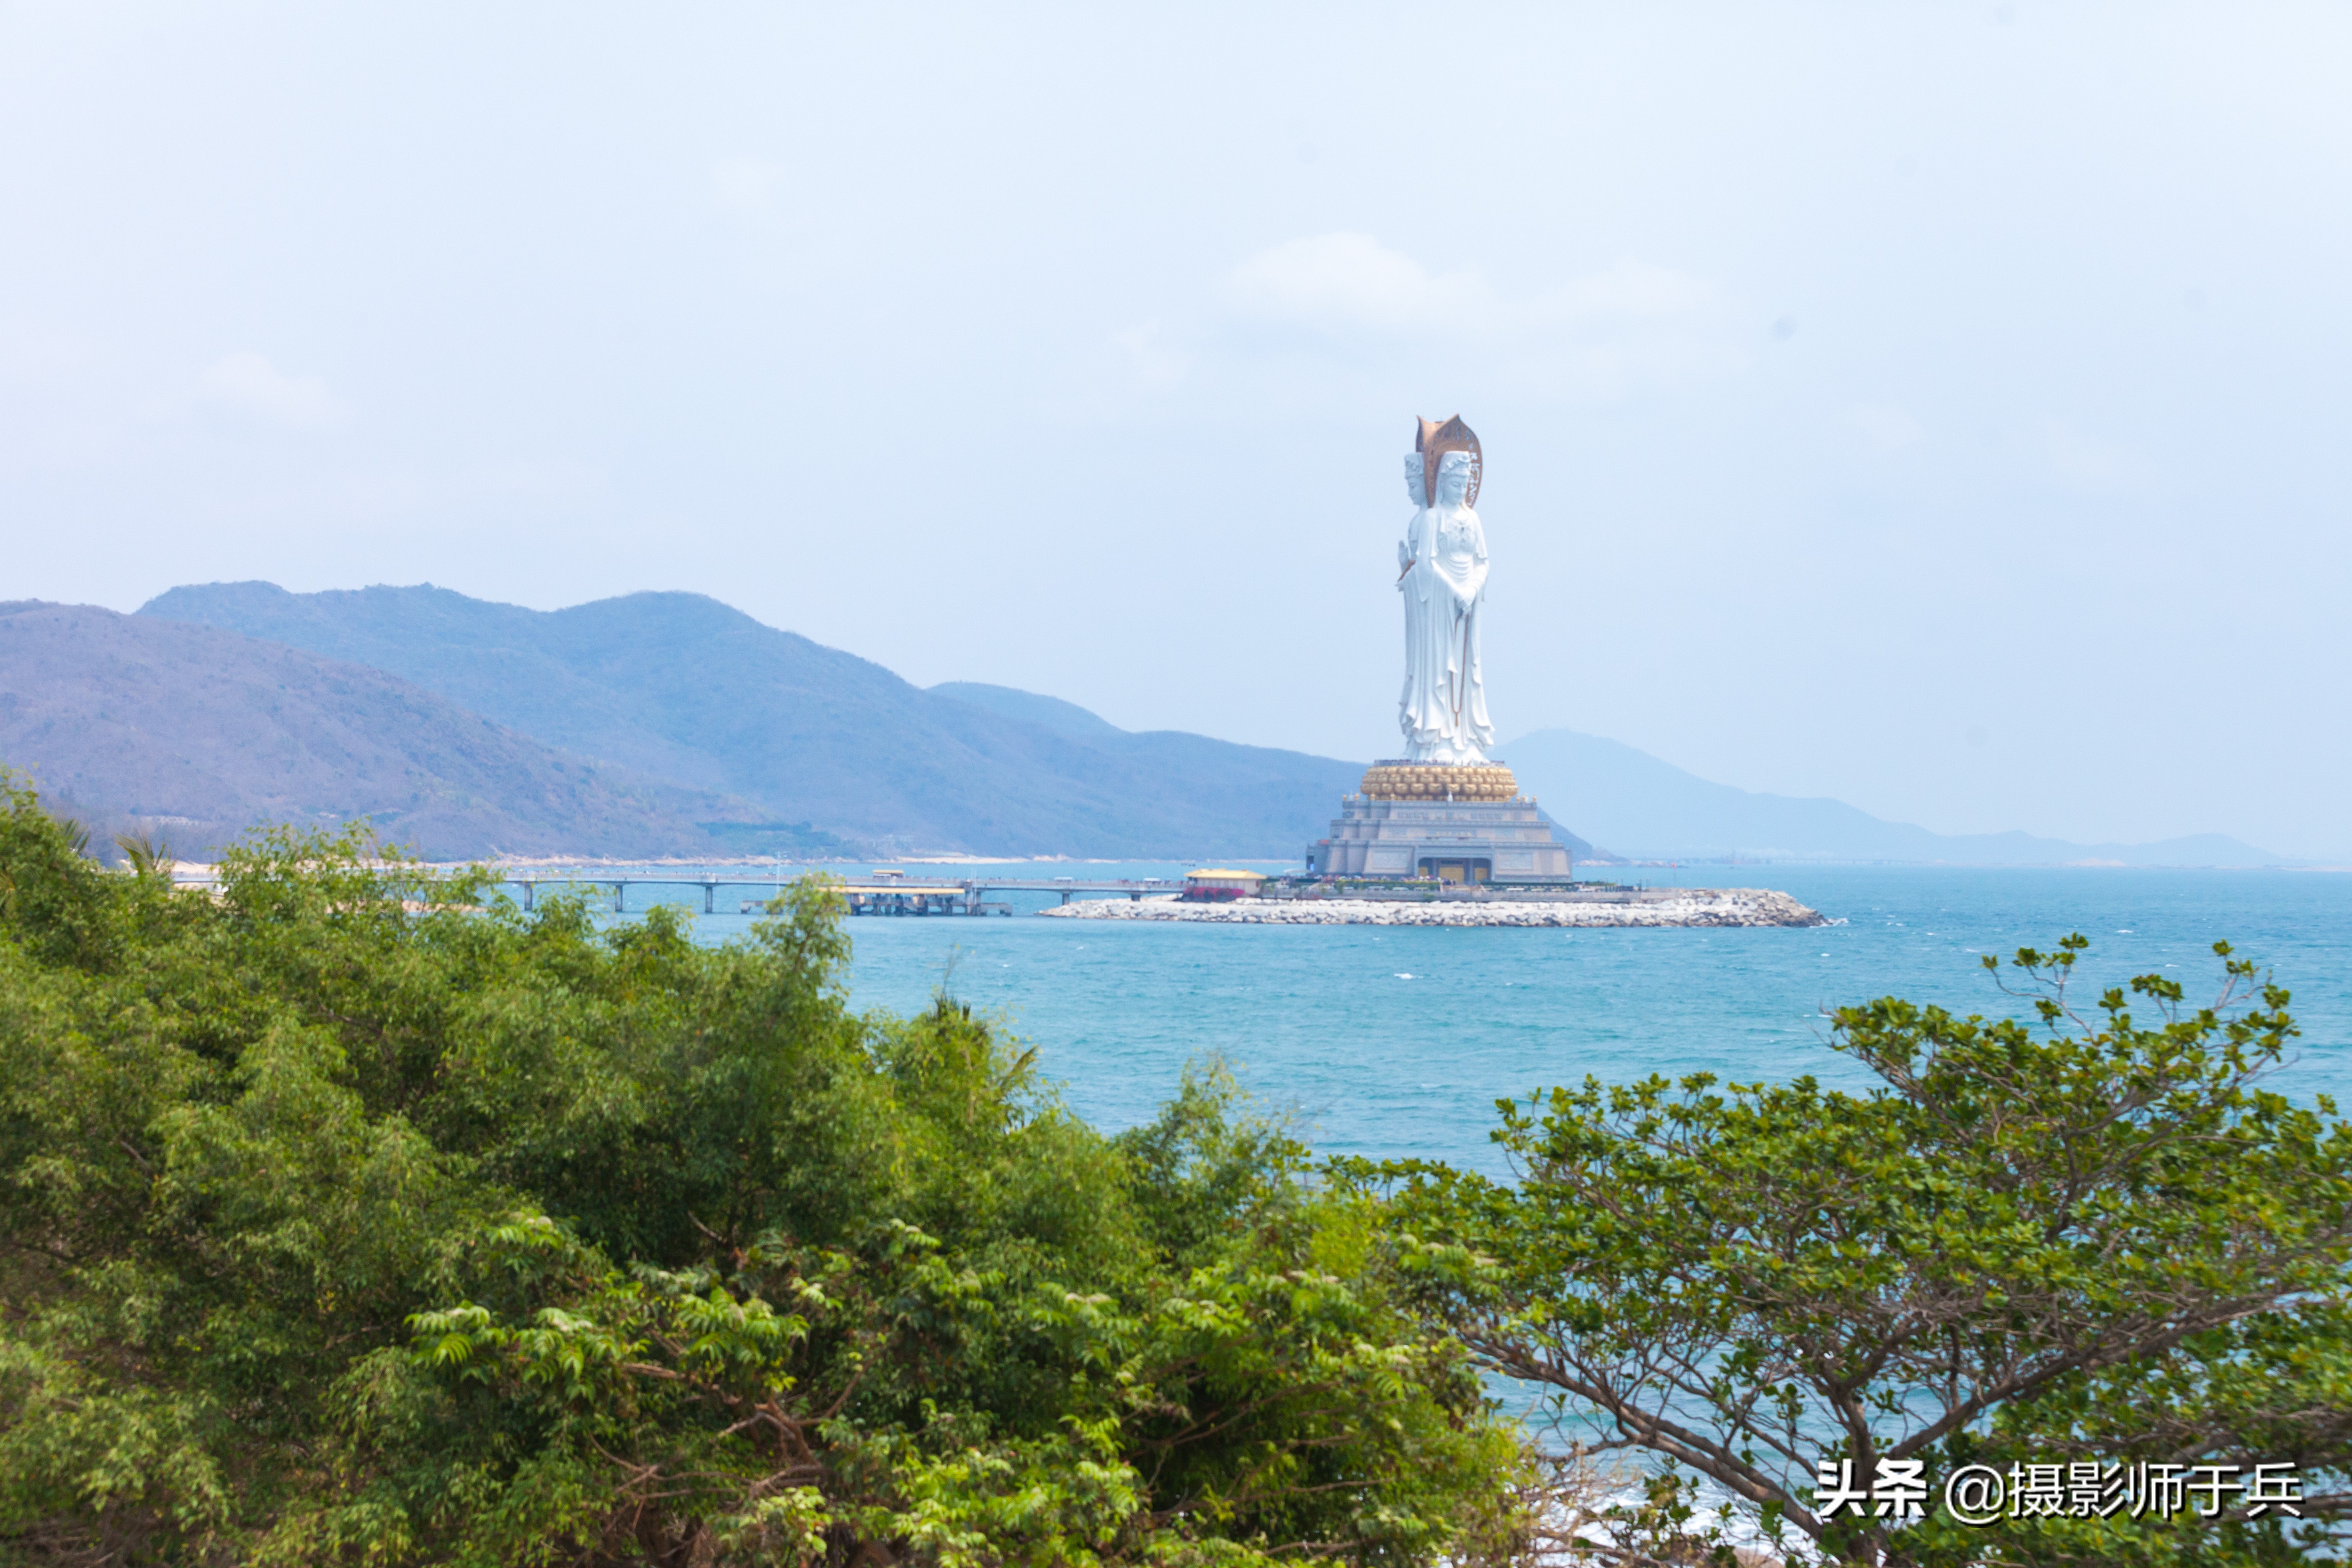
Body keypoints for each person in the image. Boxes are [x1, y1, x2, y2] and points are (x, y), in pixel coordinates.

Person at [1396, 448, 1493, 763]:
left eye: (1466, 483)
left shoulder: (1474, 518)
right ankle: (1438, 738)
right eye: (1455, 483)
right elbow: (1427, 564)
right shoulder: (1432, 519)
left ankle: (1465, 739)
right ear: (1442, 483)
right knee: (1440, 665)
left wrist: (1473, 589)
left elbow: (1484, 562)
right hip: (1440, 602)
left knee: (1467, 668)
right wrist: (1454, 591)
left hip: (1468, 603)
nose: (1461, 489)